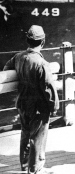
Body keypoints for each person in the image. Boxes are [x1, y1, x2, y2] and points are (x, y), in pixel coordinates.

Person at [3, 25, 59, 174]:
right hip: (38, 107)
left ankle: (24, 165)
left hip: (22, 102)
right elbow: (48, 89)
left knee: (25, 133)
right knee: (38, 138)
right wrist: (54, 107)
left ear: (27, 41)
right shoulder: (42, 64)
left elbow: (6, 69)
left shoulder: (18, 57)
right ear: (43, 42)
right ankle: (35, 169)